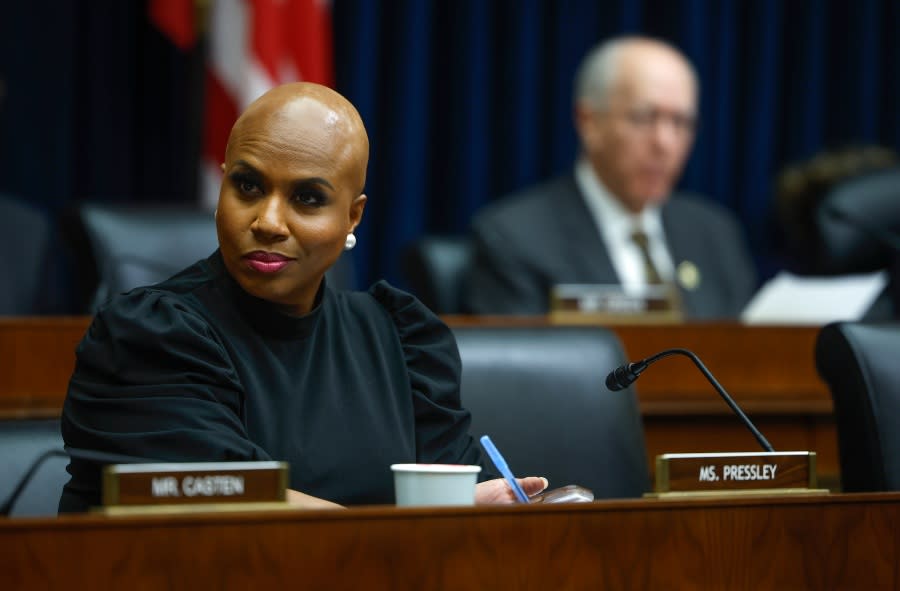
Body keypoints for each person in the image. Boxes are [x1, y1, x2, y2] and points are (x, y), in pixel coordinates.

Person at [59, 82, 547, 512]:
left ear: (353, 217)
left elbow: (452, 499)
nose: (268, 222)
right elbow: (231, 501)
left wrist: (477, 508)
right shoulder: (146, 335)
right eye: (247, 186)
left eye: (307, 198)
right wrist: (393, 533)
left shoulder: (401, 340)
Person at [463, 36, 757, 319]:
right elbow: (519, 366)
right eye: (644, 117)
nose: (664, 142)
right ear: (589, 122)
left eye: (681, 122)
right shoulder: (516, 237)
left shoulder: (716, 236)